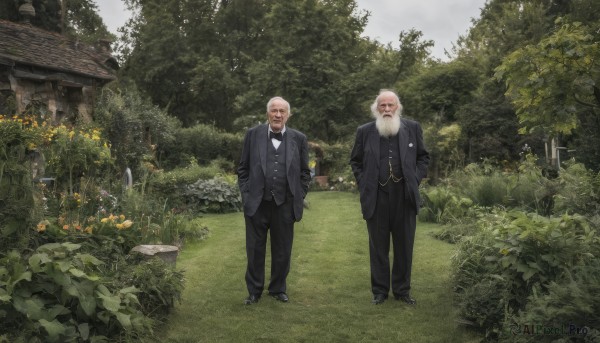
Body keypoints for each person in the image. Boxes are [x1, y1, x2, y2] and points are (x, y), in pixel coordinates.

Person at [349, 89, 430, 305]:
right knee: (378, 247)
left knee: (404, 247)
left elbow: (423, 157)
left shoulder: (412, 128)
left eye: (390, 105)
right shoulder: (365, 131)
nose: (386, 109)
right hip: (377, 197)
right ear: (376, 108)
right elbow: (355, 161)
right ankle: (380, 292)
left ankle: (402, 291)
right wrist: (364, 182)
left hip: (404, 197)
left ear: (397, 107)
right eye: (382, 106)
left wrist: (415, 178)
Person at [237, 96, 311, 305]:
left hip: (285, 204)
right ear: (268, 113)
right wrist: (246, 194)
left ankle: (278, 289)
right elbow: (243, 169)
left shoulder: (299, 138)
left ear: (288, 115)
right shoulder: (253, 135)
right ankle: (254, 291)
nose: (278, 115)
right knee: (255, 250)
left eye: (282, 111)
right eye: (274, 111)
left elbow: (305, 173)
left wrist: (299, 195)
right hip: (257, 204)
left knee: (282, 250)